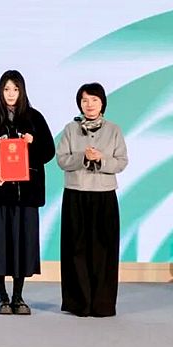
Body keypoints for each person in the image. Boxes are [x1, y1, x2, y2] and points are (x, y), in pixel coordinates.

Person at [0, 70, 55, 315]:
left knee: (22, 246)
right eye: (6, 89)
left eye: (15, 89)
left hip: (27, 195)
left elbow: (49, 151)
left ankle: (18, 296)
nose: (11, 94)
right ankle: (1, 295)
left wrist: (32, 143)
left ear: (22, 91)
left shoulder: (35, 119)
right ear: (0, 91)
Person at [57, 82, 128, 317]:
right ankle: (79, 303)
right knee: (75, 249)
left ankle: (102, 304)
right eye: (85, 100)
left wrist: (101, 159)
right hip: (76, 194)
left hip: (104, 196)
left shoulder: (114, 130)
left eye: (94, 100)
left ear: (102, 103)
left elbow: (122, 162)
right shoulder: (70, 129)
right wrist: (83, 157)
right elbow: (62, 159)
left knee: (104, 250)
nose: (89, 105)